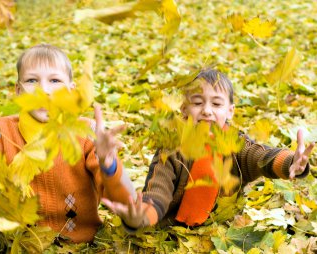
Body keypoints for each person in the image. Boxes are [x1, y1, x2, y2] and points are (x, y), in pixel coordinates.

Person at [0, 44, 135, 243]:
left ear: (71, 91)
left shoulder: (87, 135)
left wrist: (110, 165)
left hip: (81, 245)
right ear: (18, 90)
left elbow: (126, 206)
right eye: (32, 80)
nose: (44, 90)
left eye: (55, 80)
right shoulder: (3, 135)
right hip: (21, 245)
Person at [102, 69, 315, 231]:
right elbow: (158, 189)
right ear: (184, 109)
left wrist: (289, 163)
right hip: (174, 231)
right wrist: (141, 216)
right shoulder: (172, 148)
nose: (206, 111)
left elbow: (261, 157)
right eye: (197, 103)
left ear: (230, 111)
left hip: (223, 228)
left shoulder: (235, 143)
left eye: (216, 104)